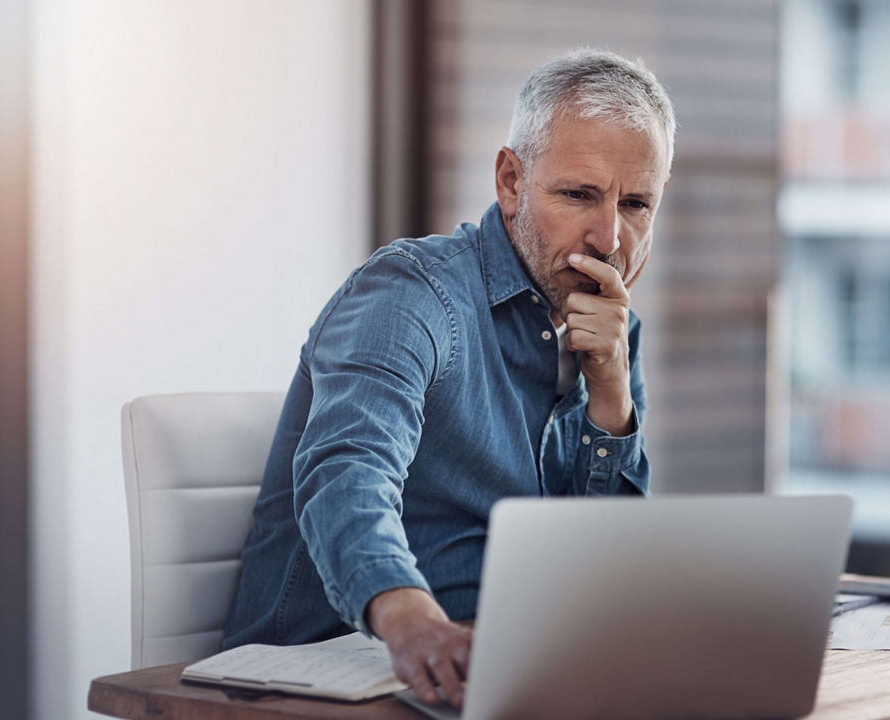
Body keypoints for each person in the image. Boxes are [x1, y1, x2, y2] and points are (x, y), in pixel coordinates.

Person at [223, 48, 675, 710]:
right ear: (512, 181)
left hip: (504, 677)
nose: (609, 237)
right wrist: (413, 623)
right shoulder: (412, 293)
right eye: (578, 194)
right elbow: (348, 473)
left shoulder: (609, 332)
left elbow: (600, 575)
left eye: (636, 204)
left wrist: (610, 399)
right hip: (338, 675)